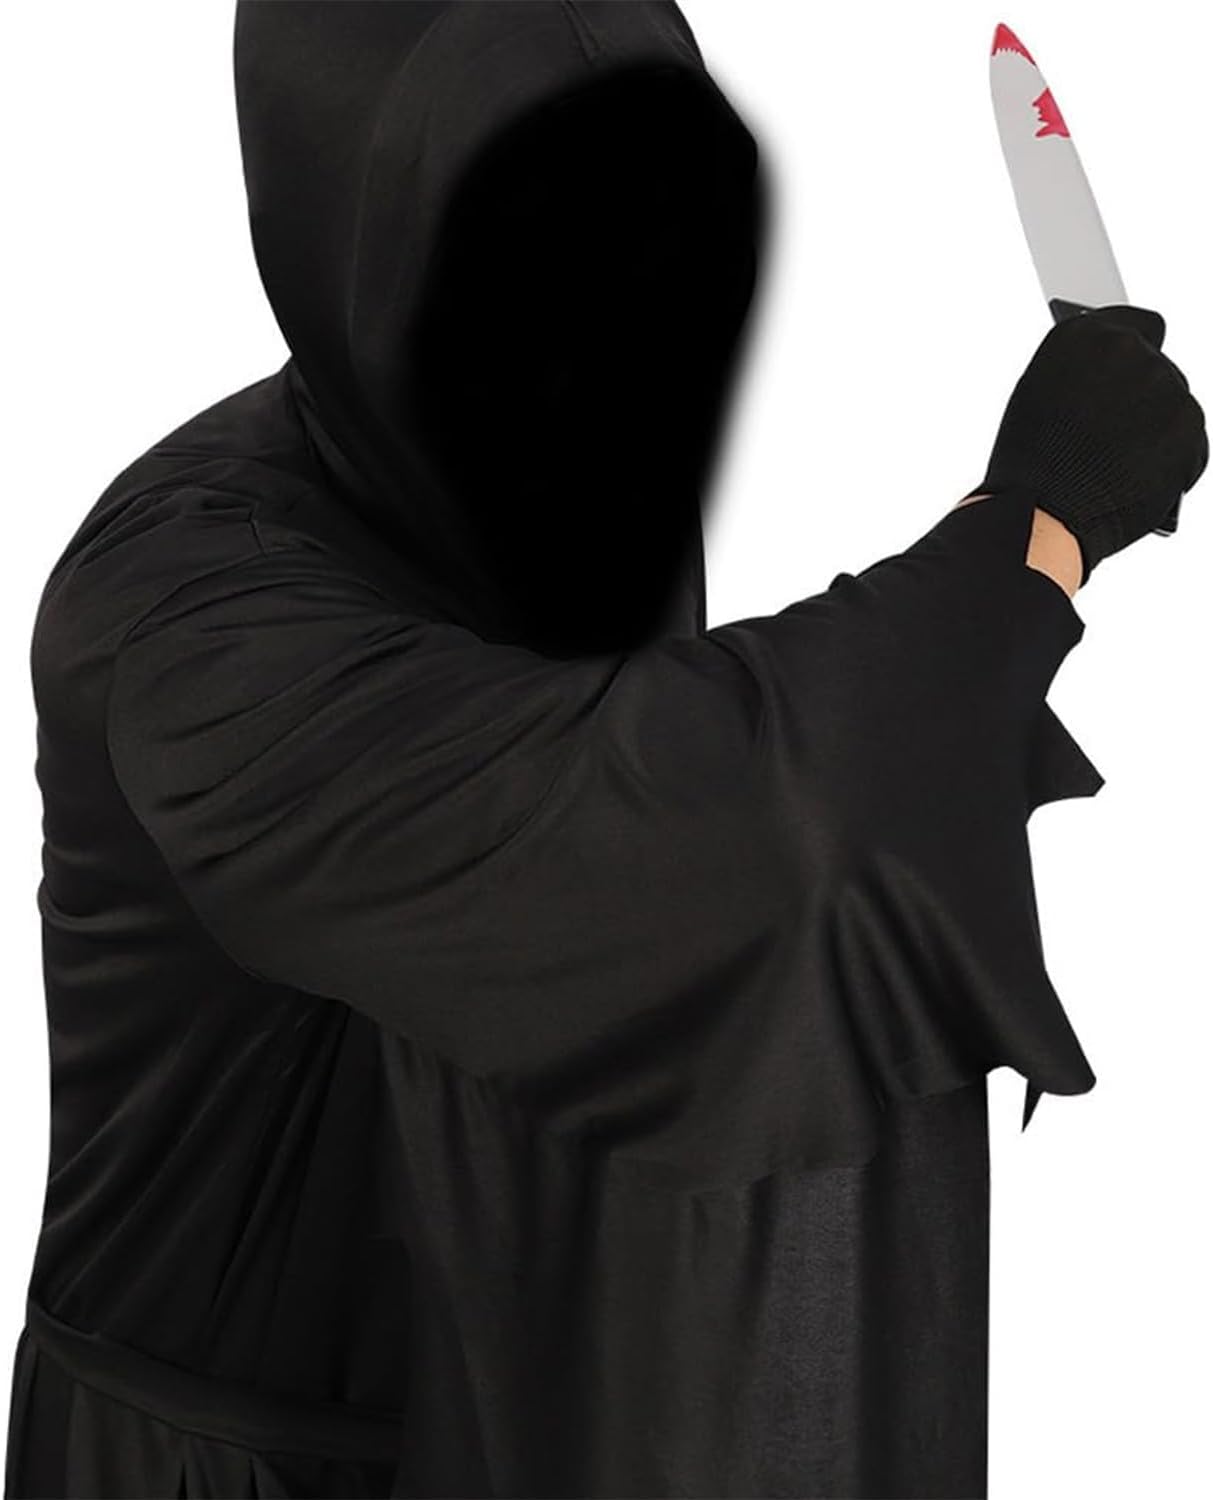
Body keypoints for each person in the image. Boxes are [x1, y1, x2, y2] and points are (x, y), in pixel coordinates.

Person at [4, 3, 1206, 1498]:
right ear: (359, 232)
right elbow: (728, 834)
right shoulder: (190, 625)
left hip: (518, 1409)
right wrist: (1037, 527)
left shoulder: (541, 495)